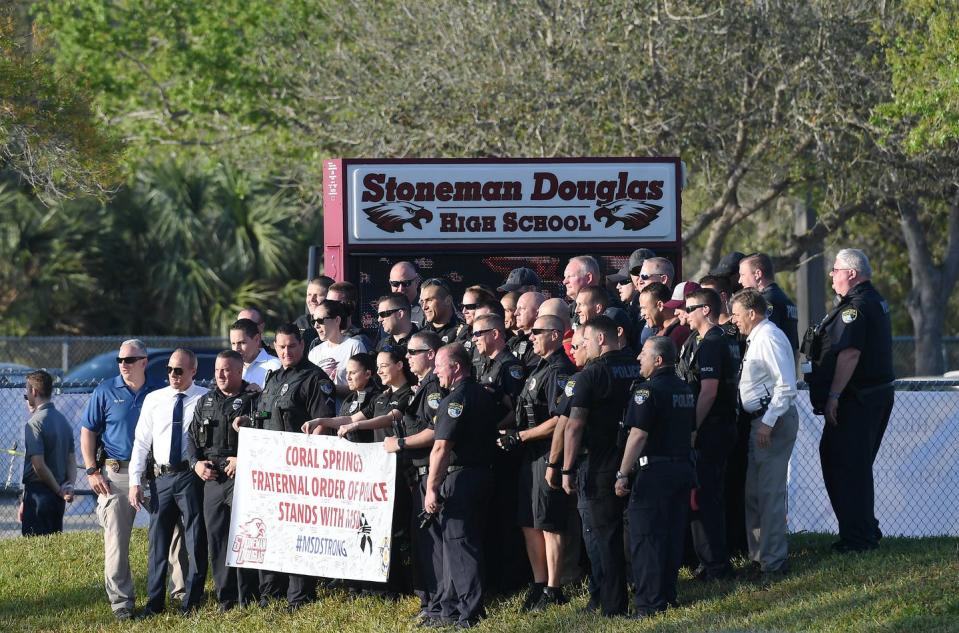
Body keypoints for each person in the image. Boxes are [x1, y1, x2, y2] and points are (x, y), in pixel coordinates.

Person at [234, 323, 336, 611]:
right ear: (274, 347)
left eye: (292, 345)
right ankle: (270, 593)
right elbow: (267, 416)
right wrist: (248, 422)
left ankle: (299, 596)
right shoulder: (273, 377)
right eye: (281, 346)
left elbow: (322, 424)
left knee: (297, 534)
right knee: (271, 530)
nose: (286, 351)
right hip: (270, 472)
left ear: (302, 346)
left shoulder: (315, 379)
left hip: (300, 473)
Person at [805, 248, 894, 553]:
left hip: (857, 400)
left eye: (836, 270)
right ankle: (862, 529)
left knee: (847, 466)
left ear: (851, 274)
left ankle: (859, 539)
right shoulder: (873, 300)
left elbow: (850, 353)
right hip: (871, 397)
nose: (832, 276)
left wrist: (833, 396)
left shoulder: (855, 308)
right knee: (848, 463)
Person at [80, 339, 170, 621]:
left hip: (154, 472)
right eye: (120, 360)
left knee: (174, 532)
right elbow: (88, 430)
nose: (123, 365)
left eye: (129, 360)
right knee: (117, 540)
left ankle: (180, 594)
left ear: (144, 361)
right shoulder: (105, 390)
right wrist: (92, 470)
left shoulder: (158, 391)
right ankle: (121, 603)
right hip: (116, 473)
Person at [561, 316, 642, 617]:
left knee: (603, 538)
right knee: (637, 534)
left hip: (599, 465)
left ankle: (613, 605)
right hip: (634, 460)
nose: (580, 347)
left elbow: (574, 425)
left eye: (584, 341)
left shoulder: (590, 374)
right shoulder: (636, 365)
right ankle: (648, 595)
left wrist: (567, 469)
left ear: (600, 339)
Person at [498, 314, 575, 611]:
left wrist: (522, 436)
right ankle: (539, 582)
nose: (531, 337)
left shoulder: (560, 370)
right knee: (528, 521)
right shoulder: (538, 367)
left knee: (548, 521)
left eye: (537, 332)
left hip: (547, 452)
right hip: (529, 453)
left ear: (555, 335)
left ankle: (554, 588)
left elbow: (560, 420)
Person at [616, 337, 696, 618]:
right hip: (681, 469)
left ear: (658, 360)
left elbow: (638, 434)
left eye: (644, 354)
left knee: (647, 538)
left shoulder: (646, 392)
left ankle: (649, 604)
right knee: (672, 535)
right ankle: (667, 594)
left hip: (654, 473)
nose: (639, 358)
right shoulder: (684, 389)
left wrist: (622, 473)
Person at [128, 348, 209, 617]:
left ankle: (192, 601)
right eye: (170, 370)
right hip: (161, 478)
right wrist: (134, 481)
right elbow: (141, 442)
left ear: (193, 371)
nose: (173, 375)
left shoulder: (204, 398)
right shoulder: (155, 399)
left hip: (190, 476)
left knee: (194, 540)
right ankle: (155, 604)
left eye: (179, 370)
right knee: (158, 543)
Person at [424, 343, 498, 628]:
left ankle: (470, 613)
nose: (436, 371)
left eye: (439, 366)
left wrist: (432, 488)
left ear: (455, 367)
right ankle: (450, 609)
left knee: (461, 546)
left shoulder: (455, 400)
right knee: (460, 545)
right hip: (482, 474)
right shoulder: (481, 393)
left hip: (461, 479)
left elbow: (441, 447)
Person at [730, 289, 798, 583]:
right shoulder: (755, 337)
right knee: (754, 493)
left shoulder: (769, 336)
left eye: (736, 314)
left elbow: (786, 385)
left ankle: (774, 562)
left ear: (752, 313)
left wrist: (768, 423)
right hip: (758, 421)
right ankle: (759, 558)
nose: (733, 320)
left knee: (769, 494)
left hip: (772, 421)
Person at [186, 350, 260, 612]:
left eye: (227, 369)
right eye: (217, 369)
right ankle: (225, 599)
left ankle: (248, 597)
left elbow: (265, 435)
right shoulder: (205, 401)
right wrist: (196, 464)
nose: (220, 374)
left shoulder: (254, 400)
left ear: (240, 372)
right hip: (213, 479)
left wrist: (243, 457)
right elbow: (191, 439)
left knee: (246, 537)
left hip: (242, 476)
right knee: (216, 540)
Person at [384, 331, 446, 625]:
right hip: (417, 474)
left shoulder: (434, 388)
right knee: (422, 541)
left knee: (433, 543)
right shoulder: (422, 386)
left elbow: (437, 431)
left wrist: (402, 443)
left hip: (432, 474)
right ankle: (429, 601)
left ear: (430, 355)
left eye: (412, 352)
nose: (407, 358)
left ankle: (438, 603)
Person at [678, 288, 739, 581]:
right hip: (714, 427)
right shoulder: (700, 340)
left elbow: (709, 391)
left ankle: (716, 566)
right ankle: (709, 561)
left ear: (705, 310)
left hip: (712, 428)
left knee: (706, 498)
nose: (684, 314)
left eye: (690, 308)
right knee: (702, 497)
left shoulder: (714, 341)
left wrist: (693, 429)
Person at [473, 313, 527, 593]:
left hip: (506, 450)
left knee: (506, 515)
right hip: (487, 449)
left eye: (478, 334)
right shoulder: (484, 364)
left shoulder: (510, 367)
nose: (474, 340)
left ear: (496, 334)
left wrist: (494, 424)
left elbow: (519, 410)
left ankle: (511, 579)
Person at [19, 370, 76, 536]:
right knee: (53, 549)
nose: (27, 395)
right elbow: (71, 460)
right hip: (58, 498)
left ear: (34, 392)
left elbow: (39, 465)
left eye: (27, 390)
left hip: (39, 494)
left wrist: (58, 489)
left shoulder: (34, 423)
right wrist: (69, 486)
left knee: (35, 552)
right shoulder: (63, 421)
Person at [738, 253, 800, 355]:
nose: (740, 280)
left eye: (742, 275)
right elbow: (795, 351)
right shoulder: (786, 300)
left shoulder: (764, 302)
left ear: (757, 274)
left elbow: (765, 339)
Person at [308, 300, 368, 402]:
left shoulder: (354, 346)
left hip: (346, 413)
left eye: (320, 320)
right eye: (314, 321)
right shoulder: (314, 352)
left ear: (337, 320)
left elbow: (363, 388)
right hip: (321, 413)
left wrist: (330, 388)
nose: (316, 326)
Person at [230, 318, 281, 388]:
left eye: (242, 343)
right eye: (233, 343)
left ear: (257, 340)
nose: (236, 349)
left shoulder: (276, 366)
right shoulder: (228, 368)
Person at [639, 282, 690, 348]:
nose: (642, 314)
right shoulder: (659, 330)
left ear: (660, 305)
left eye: (644, 308)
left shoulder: (679, 333)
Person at [375, 293, 419, 362]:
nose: (379, 319)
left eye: (383, 314)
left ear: (400, 314)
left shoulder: (423, 342)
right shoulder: (382, 344)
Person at [294, 276, 334, 350]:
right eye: (309, 295)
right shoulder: (301, 323)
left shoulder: (336, 324)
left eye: (317, 295)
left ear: (330, 297)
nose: (312, 299)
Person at [508, 291, 546, 370]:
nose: (515, 313)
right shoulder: (514, 340)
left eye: (522, 309)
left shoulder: (541, 344)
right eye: (516, 308)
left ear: (537, 313)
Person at [420, 278, 461, 344]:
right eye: (422, 302)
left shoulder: (462, 332)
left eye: (429, 300)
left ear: (448, 300)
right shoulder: (420, 335)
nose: (424, 307)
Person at [389, 261, 426, 327]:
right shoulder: (387, 310)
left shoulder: (426, 311)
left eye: (406, 283)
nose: (400, 289)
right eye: (395, 284)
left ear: (417, 281)